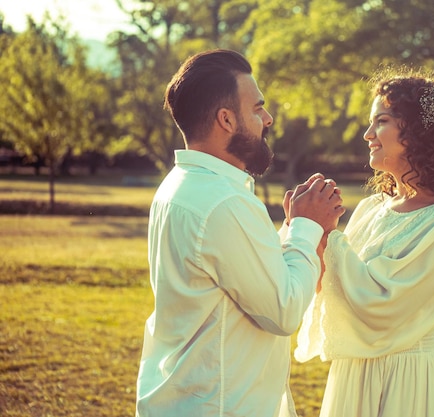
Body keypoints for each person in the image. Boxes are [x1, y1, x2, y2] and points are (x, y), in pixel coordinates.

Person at [135, 49, 345, 417]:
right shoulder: (224, 202)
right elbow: (282, 311)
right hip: (217, 405)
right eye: (257, 108)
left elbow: (241, 280)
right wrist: (308, 228)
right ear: (227, 119)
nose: (268, 118)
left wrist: (294, 232)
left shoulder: (179, 186)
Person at [293, 67, 434, 417]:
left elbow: (384, 304)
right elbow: (331, 287)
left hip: (406, 377)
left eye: (380, 121)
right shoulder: (369, 208)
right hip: (353, 373)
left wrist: (332, 236)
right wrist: (307, 232)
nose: (367, 134)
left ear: (420, 133)